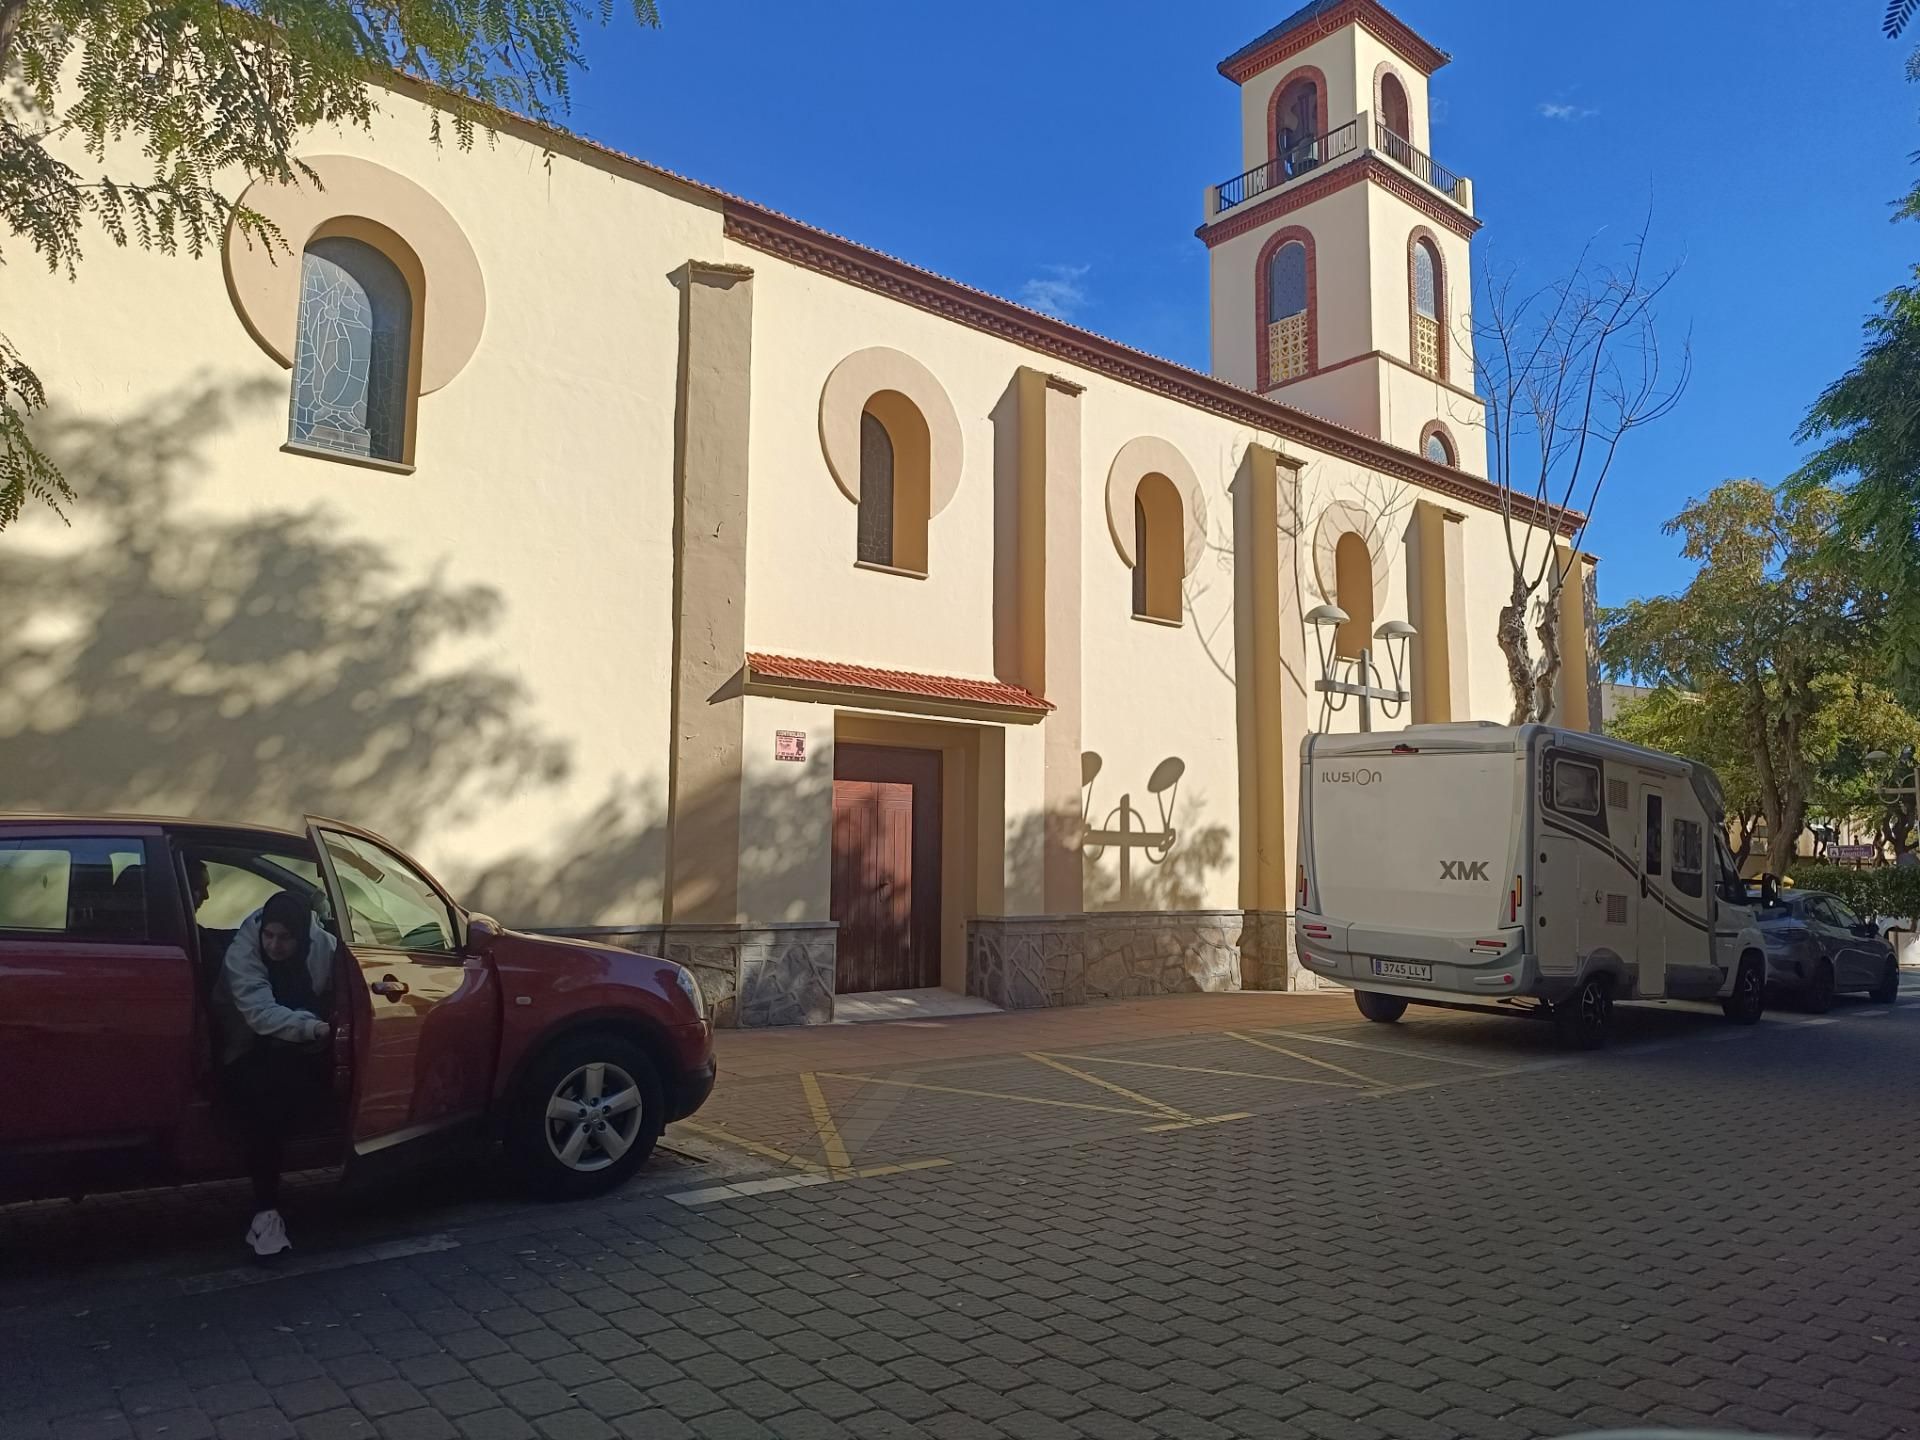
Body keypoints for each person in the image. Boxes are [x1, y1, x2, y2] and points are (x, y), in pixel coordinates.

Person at [211, 889, 337, 1258]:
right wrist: (313, 1029)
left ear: (301, 935)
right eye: (269, 936)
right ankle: (266, 1213)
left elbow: (331, 991)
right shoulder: (242, 952)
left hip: (301, 1045)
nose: (275, 946)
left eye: (285, 938)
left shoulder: (323, 946)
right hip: (245, 1045)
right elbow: (258, 1013)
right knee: (262, 1103)